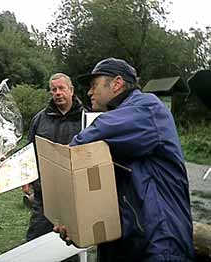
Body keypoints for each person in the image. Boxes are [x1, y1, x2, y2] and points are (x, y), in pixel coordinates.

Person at [55, 58, 195, 262]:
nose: (89, 92)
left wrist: (63, 156)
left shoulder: (147, 107)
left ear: (117, 83)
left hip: (160, 243)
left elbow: (85, 142)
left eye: (94, 85)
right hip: (128, 242)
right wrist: (75, 222)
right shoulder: (122, 117)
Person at [26, 73, 85, 261]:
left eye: (62, 88)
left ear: (71, 90)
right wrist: (27, 180)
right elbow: (30, 151)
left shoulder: (86, 118)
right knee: (37, 242)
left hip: (75, 194)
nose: (58, 93)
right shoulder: (40, 119)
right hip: (44, 193)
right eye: (54, 89)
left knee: (70, 245)